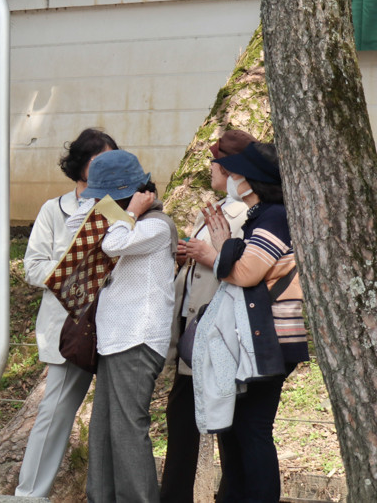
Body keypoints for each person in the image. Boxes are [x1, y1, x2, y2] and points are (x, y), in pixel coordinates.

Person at [195, 142, 307, 502]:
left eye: (236, 173)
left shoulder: (274, 216)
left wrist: (219, 248)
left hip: (271, 340)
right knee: (238, 428)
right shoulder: (262, 215)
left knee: (253, 428)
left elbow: (245, 272)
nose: (229, 178)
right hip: (259, 338)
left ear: (252, 181)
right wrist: (224, 246)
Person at [14, 128, 118, 500]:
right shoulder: (53, 209)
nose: (106, 168)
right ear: (80, 166)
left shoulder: (119, 208)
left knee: (113, 421)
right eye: (98, 161)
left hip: (118, 329)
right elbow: (32, 267)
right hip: (70, 330)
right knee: (54, 414)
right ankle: (29, 495)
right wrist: (74, 274)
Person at [69, 150, 177, 503]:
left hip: (139, 338)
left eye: (103, 196)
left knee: (129, 429)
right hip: (115, 339)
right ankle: (100, 497)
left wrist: (130, 212)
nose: (98, 202)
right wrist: (111, 211)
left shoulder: (156, 226)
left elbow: (114, 245)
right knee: (103, 431)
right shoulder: (122, 222)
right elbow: (74, 231)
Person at [159, 129, 257, 503]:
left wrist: (206, 255)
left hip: (216, 332)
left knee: (223, 423)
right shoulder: (222, 208)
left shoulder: (242, 213)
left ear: (232, 168)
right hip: (195, 331)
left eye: (216, 160)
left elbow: (238, 267)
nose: (210, 167)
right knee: (185, 418)